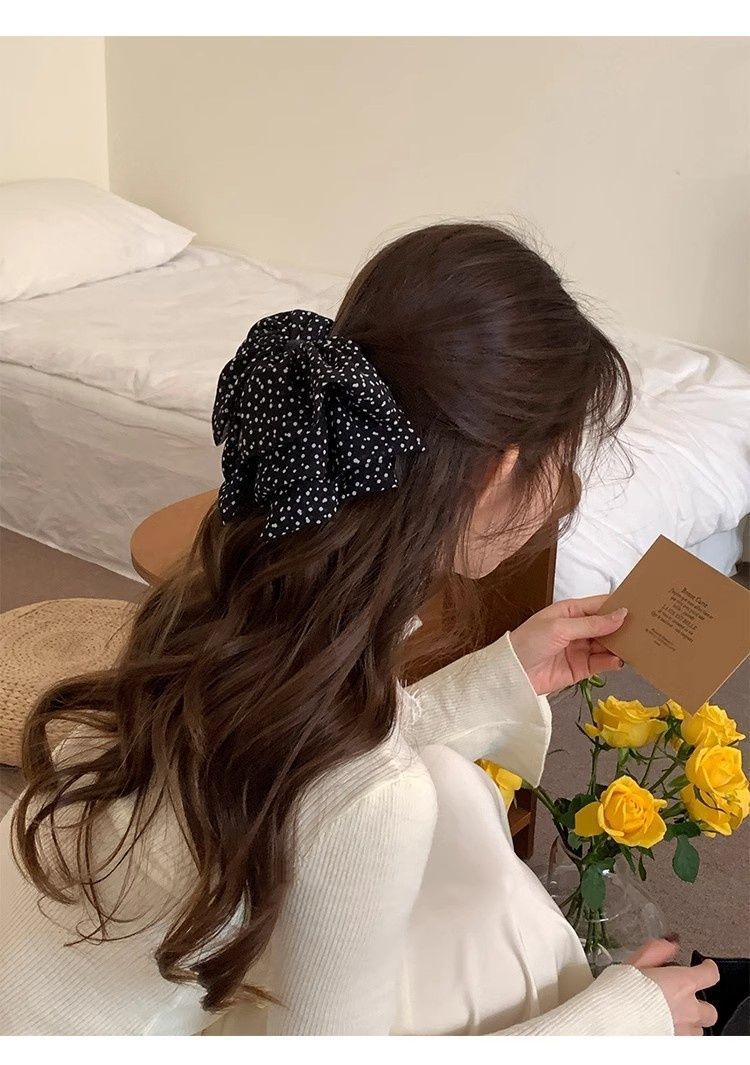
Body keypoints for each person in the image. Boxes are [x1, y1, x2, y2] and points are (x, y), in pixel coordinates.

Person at [0, 222, 719, 1036]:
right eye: (562, 458)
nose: (563, 490)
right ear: (497, 473)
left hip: (34, 973)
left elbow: (305, 761)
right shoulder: (374, 799)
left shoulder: (217, 601)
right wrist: (625, 1016)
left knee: (452, 790)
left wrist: (502, 674)